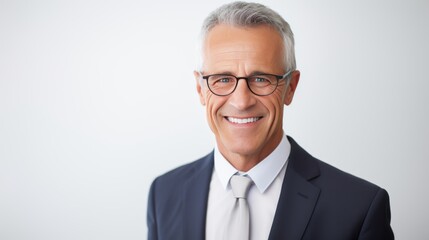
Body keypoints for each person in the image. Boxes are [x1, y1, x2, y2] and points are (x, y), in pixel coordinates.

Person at [147, 2, 394, 240]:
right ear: (200, 89)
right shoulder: (164, 194)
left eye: (261, 79)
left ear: (290, 87)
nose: (242, 101)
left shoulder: (358, 208)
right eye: (223, 79)